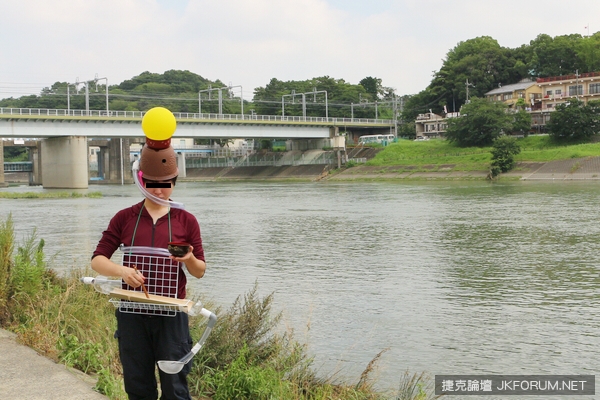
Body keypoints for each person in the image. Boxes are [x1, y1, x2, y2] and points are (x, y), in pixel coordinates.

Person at [91, 107, 205, 400]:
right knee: (138, 388)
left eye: (166, 184)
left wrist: (188, 257)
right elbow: (98, 259)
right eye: (154, 183)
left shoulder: (186, 220)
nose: (160, 190)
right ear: (142, 181)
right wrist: (122, 272)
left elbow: (200, 270)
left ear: (174, 182)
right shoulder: (124, 218)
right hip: (132, 315)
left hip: (171, 315)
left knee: (175, 389)